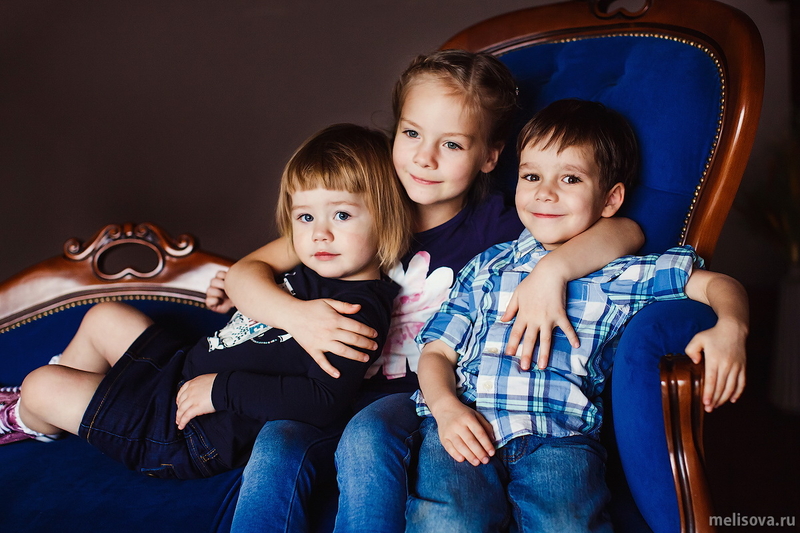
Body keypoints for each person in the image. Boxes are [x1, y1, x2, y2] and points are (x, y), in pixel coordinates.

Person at [213, 50, 644, 532]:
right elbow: (245, 273)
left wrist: (554, 270)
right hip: (324, 386)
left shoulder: (501, 226)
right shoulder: (361, 207)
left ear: (490, 156)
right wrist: (293, 314)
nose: (424, 157)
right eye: (412, 133)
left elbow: (625, 232)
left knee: (369, 433)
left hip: (415, 395)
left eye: (452, 144)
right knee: (275, 440)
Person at [406, 99, 748, 532]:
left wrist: (731, 327)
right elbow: (436, 351)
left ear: (610, 199)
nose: (545, 193)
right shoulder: (489, 265)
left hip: (558, 441)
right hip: (462, 427)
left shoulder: (618, 273)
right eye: (531, 176)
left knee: (566, 523)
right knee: (448, 521)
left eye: (570, 178)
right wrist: (444, 408)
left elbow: (717, 285)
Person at [0, 124, 410, 482]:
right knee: (105, 317)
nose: (320, 233)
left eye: (341, 215)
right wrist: (240, 303)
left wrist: (220, 390)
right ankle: (65, 401)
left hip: (189, 433)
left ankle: (25, 417)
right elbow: (267, 330)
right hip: (182, 374)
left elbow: (322, 402)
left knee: (42, 386)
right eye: (305, 217)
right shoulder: (314, 266)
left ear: (385, 217)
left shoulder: (359, 311)